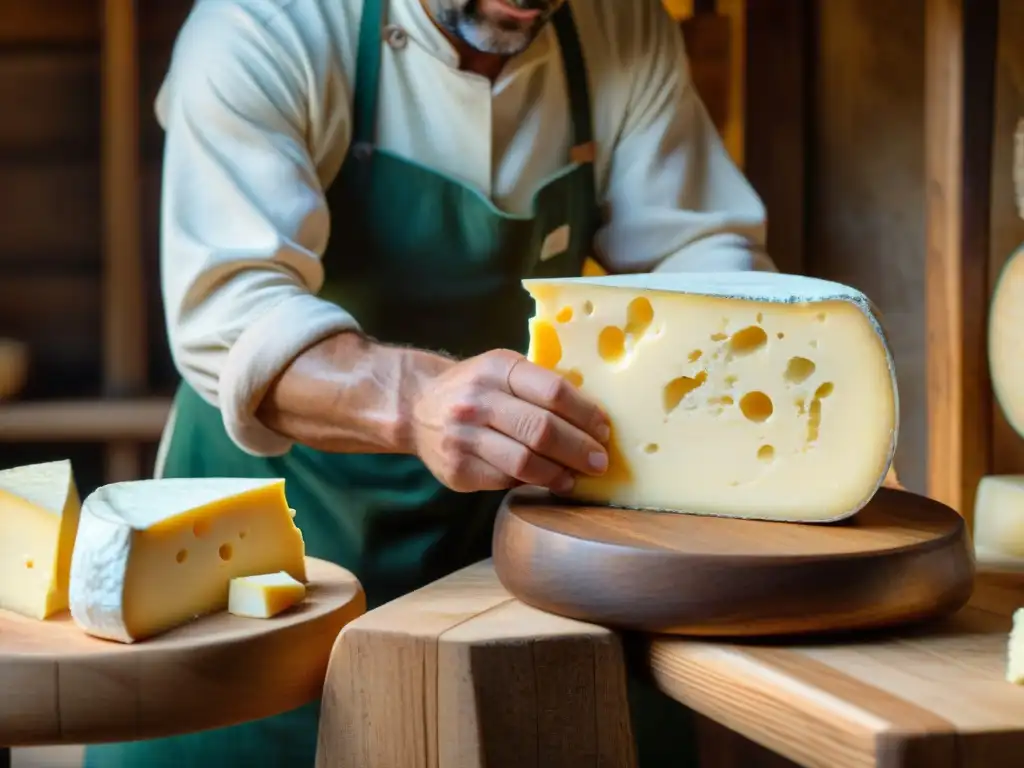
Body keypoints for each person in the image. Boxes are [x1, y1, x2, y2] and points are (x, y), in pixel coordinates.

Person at [84, 0, 773, 764]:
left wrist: (767, 404)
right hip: (262, 555)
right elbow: (233, 312)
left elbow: (701, 256)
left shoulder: (622, 26)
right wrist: (419, 401)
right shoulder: (265, 27)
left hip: (495, 551)